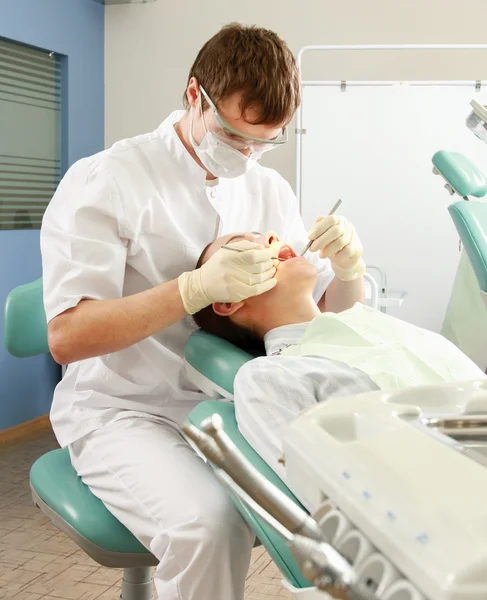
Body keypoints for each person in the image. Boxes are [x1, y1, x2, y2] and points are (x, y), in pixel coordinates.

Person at [40, 24, 366, 600]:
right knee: (208, 526)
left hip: (229, 405)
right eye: (235, 136)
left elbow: (310, 321)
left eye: (264, 142)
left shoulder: (269, 190)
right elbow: (67, 337)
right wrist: (189, 291)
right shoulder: (107, 181)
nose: (248, 155)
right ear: (195, 94)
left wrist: (348, 271)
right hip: (121, 409)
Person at [192, 230, 486, 486]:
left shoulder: (370, 325)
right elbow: (328, 495)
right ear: (228, 301)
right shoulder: (269, 376)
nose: (270, 236)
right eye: (242, 245)